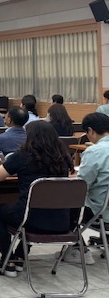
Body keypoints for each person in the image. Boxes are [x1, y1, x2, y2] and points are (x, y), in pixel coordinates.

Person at [0, 121, 74, 277]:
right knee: (32, 210)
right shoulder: (63, 158)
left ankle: (7, 260)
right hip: (61, 221)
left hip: (31, 220)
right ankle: (20, 257)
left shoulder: (22, 156)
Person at [69, 112, 109, 264]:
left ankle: (80, 250)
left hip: (99, 213)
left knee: (65, 205)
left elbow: (82, 186)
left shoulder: (95, 151)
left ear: (90, 131)